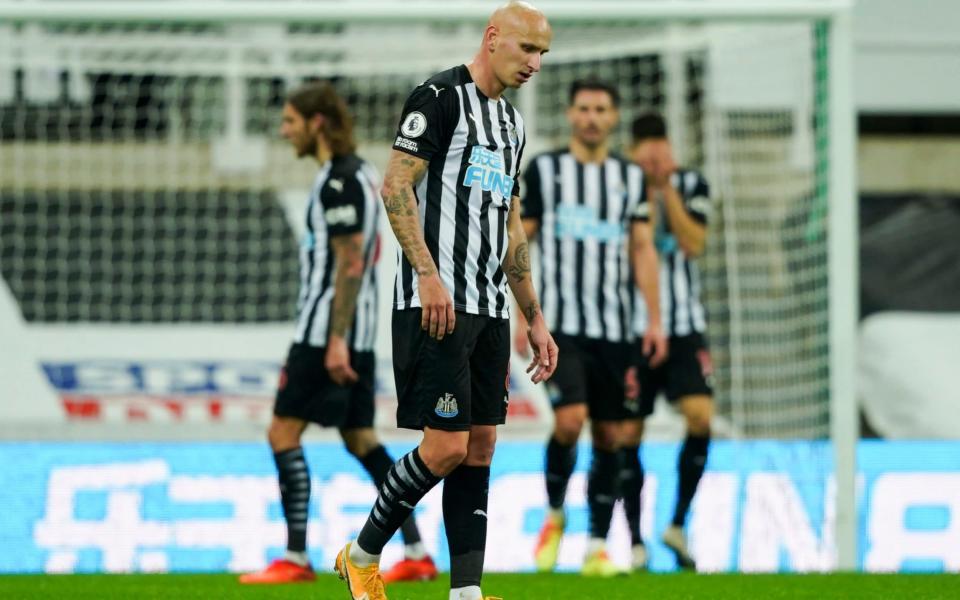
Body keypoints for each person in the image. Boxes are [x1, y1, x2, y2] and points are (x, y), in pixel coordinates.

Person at [332, 3, 557, 600]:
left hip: (489, 307)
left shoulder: (511, 126)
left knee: (479, 447)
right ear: (493, 38)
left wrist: (534, 318)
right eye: (527, 49)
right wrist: (428, 274)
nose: (535, 63)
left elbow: (511, 226)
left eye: (542, 54)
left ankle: (466, 592)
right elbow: (395, 184)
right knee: (446, 446)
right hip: (436, 305)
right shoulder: (437, 97)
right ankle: (361, 554)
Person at [239, 82, 437, 585]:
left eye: (290, 122)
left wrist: (333, 339)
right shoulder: (366, 174)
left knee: (282, 431)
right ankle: (415, 550)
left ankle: (296, 556)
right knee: (360, 439)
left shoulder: (338, 181)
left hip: (326, 330)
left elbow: (349, 261)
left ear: (317, 123)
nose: (285, 133)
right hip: (360, 333)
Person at [519, 79, 667, 577]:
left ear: (613, 117)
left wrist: (655, 319)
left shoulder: (629, 176)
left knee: (610, 433)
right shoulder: (545, 170)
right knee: (569, 420)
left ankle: (598, 545)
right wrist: (527, 312)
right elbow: (522, 238)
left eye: (601, 109)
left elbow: (643, 248)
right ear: (569, 114)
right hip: (562, 328)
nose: (591, 117)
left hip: (616, 329)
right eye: (583, 108)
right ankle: (556, 514)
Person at [620, 113, 715, 572]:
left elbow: (695, 242)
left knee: (700, 417)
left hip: (684, 327)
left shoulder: (693, 183)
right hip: (632, 328)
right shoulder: (617, 185)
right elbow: (630, 247)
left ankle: (677, 524)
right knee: (627, 432)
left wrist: (666, 190)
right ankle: (636, 541)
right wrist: (645, 192)